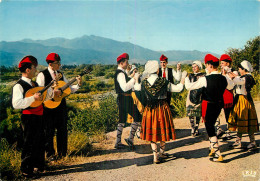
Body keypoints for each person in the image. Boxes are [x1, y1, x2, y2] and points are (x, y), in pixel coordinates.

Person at [185, 54, 234, 162]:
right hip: (219, 104)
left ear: (210, 65)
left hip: (208, 104)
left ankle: (217, 153)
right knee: (211, 125)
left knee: (209, 126)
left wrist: (186, 79)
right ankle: (212, 148)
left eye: (206, 65)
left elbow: (189, 87)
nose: (206, 67)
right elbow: (231, 86)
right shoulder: (223, 78)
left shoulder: (205, 79)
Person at [134, 60, 184, 164]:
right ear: (157, 70)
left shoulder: (144, 83)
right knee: (162, 130)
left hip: (149, 110)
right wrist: (183, 78)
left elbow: (136, 88)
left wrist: (136, 79)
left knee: (152, 132)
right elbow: (178, 89)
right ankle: (162, 152)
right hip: (162, 108)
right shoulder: (164, 82)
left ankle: (155, 156)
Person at [12, 55, 53, 177]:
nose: (36, 70)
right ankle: (26, 170)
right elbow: (16, 104)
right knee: (29, 143)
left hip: (39, 115)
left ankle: (39, 166)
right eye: (34, 68)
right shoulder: (18, 86)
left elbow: (44, 97)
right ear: (28, 70)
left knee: (40, 141)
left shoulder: (34, 84)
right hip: (29, 117)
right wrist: (32, 98)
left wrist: (51, 91)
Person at [36, 52, 82, 160]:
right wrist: (52, 93)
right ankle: (50, 155)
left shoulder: (60, 74)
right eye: (57, 63)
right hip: (48, 107)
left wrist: (79, 84)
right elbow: (40, 92)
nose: (59, 65)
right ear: (50, 64)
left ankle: (62, 154)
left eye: (59, 63)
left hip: (60, 106)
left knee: (62, 130)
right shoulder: (42, 75)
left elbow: (69, 89)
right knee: (49, 131)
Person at [228, 60, 259, 150]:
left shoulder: (247, 77)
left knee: (245, 120)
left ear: (244, 69)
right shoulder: (244, 76)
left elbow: (239, 81)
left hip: (244, 100)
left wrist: (230, 73)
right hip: (240, 99)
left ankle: (252, 142)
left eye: (240, 69)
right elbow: (238, 79)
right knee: (241, 121)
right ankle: (240, 141)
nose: (238, 70)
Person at [114, 53, 140, 149]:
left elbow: (125, 82)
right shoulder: (120, 74)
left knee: (121, 120)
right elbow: (125, 87)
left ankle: (118, 142)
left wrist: (130, 75)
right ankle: (130, 139)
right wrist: (134, 79)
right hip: (125, 98)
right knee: (137, 116)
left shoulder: (121, 72)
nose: (128, 63)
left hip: (122, 98)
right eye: (126, 62)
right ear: (121, 63)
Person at [215, 54, 237, 140]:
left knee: (228, 114)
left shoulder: (233, 72)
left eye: (222, 63)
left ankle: (229, 132)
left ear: (227, 64)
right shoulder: (220, 72)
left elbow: (231, 85)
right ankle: (218, 129)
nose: (221, 65)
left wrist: (225, 74)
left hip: (228, 95)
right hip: (220, 95)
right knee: (216, 112)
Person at [185, 61, 205, 137]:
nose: (193, 68)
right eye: (192, 67)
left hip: (199, 95)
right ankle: (192, 127)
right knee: (190, 111)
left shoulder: (202, 76)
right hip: (191, 94)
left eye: (195, 67)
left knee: (197, 113)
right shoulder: (190, 76)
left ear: (199, 67)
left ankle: (196, 127)